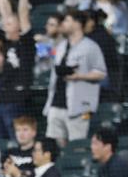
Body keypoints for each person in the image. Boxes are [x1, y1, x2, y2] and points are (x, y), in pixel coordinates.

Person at [42, 11, 107, 147]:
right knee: (53, 146)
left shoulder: (91, 47)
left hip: (78, 106)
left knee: (76, 146)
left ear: (77, 24)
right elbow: (49, 65)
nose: (63, 24)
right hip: (56, 102)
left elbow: (101, 73)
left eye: (67, 21)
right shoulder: (61, 46)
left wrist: (79, 76)